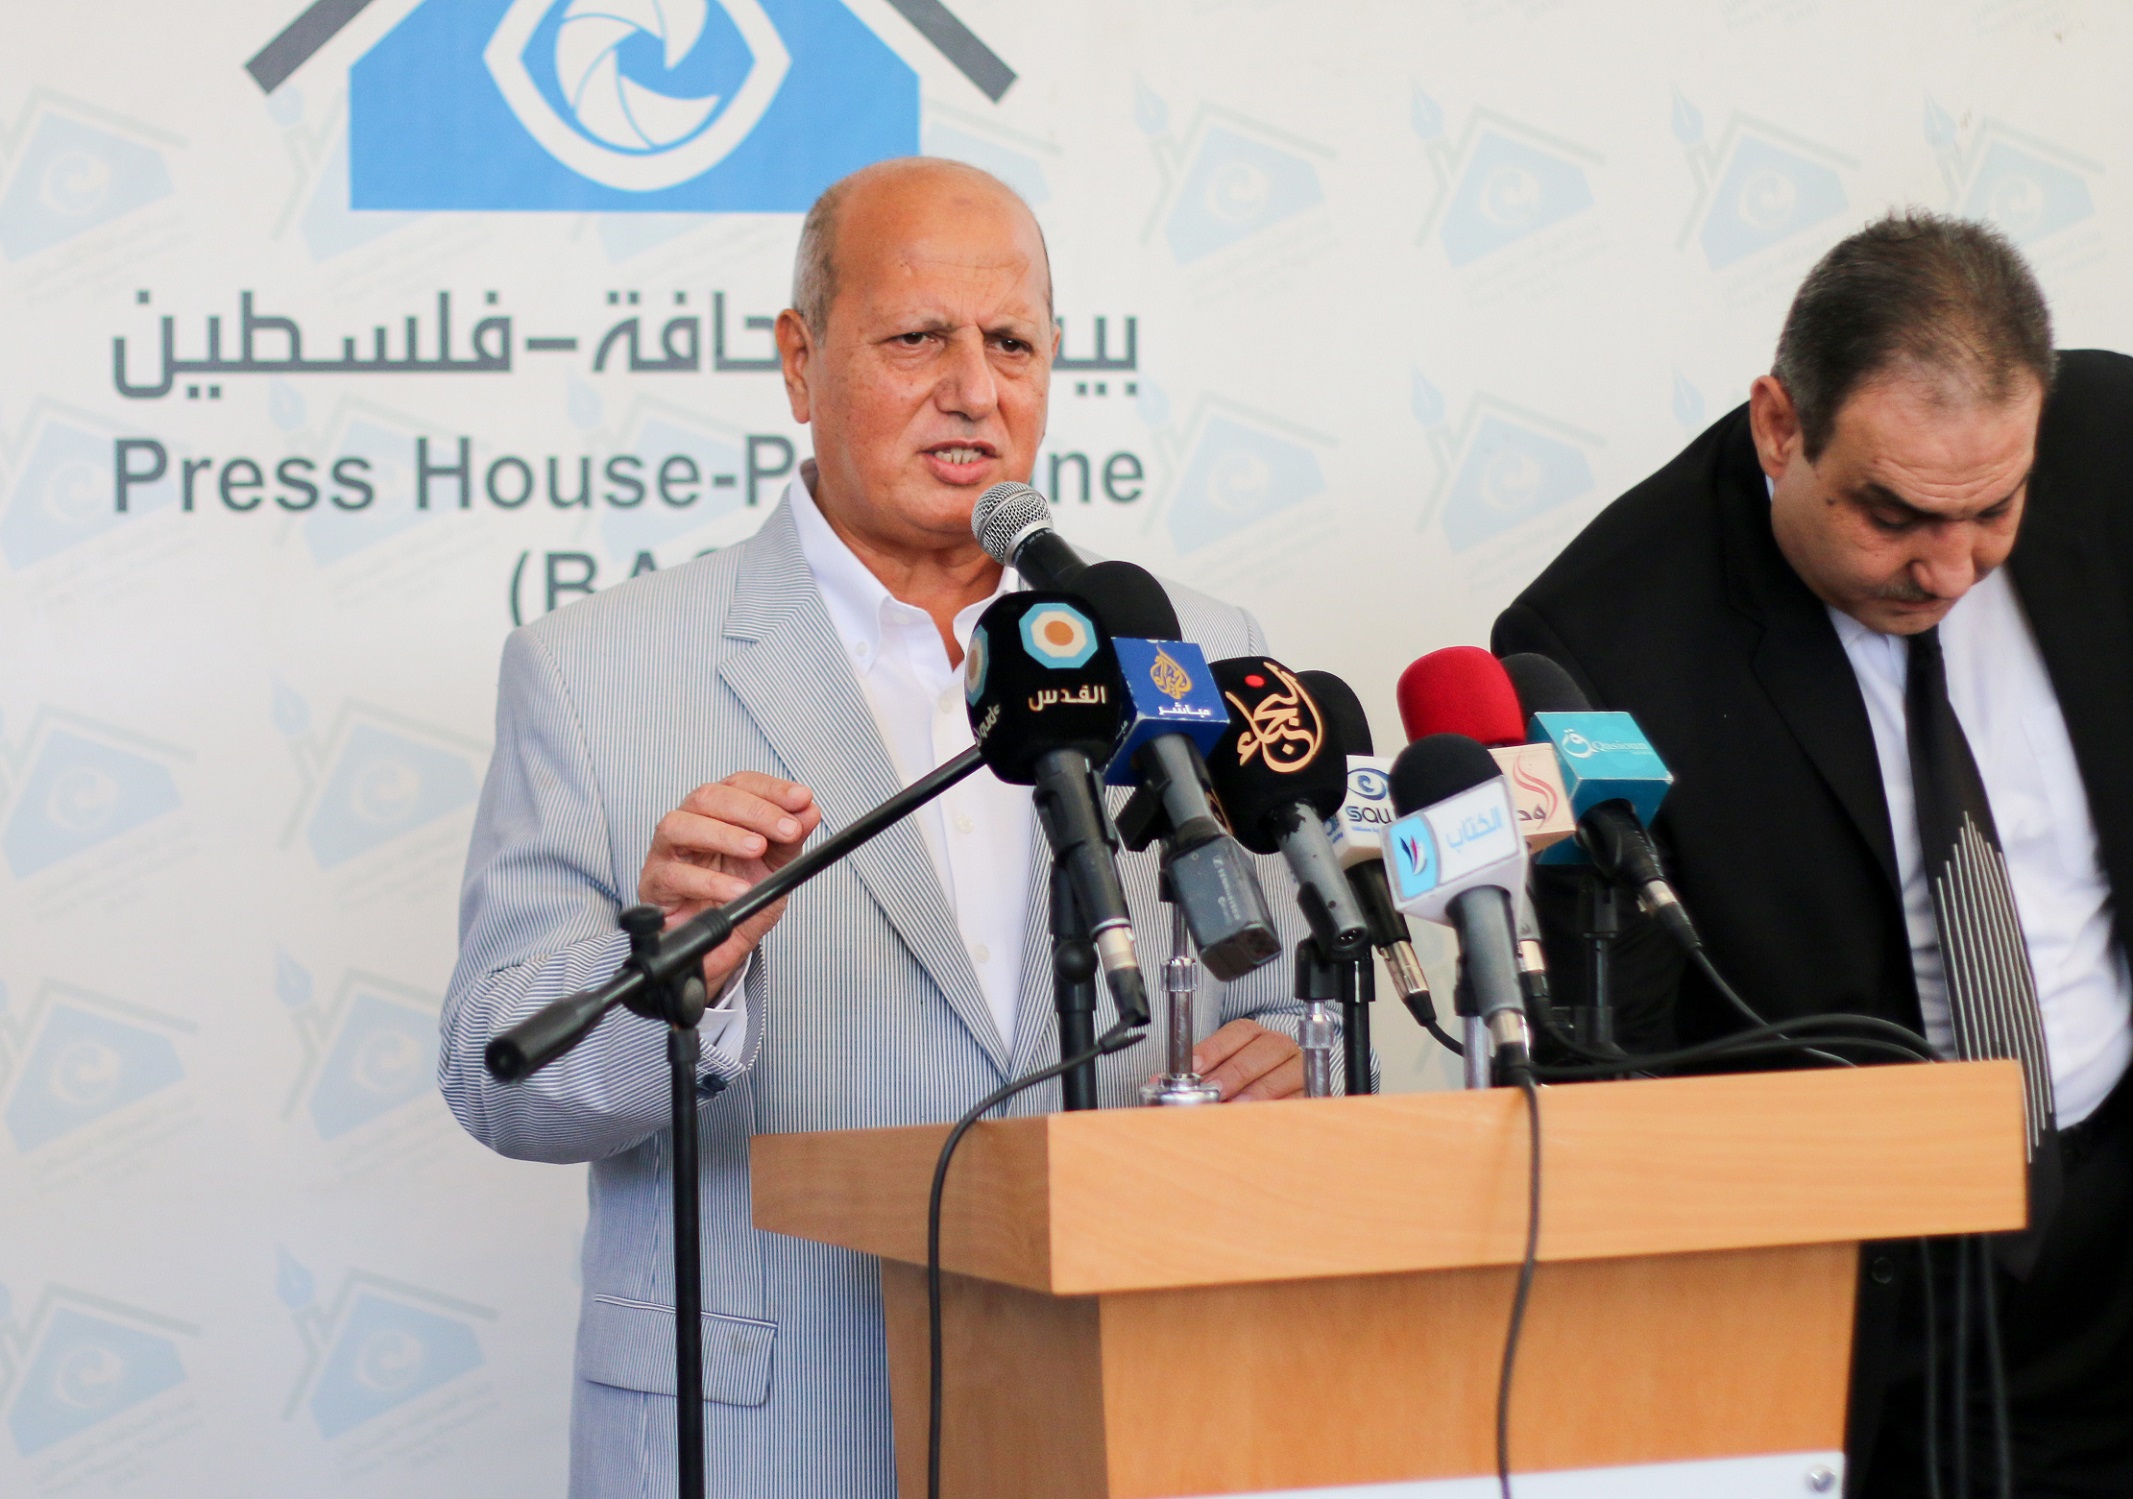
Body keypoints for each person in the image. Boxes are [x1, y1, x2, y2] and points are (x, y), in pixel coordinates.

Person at [439, 158, 1313, 1499]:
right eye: (917, 338)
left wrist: (1298, 1068)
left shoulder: (1189, 648)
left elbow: (1300, 997)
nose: (974, 388)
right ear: (800, 361)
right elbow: (500, 1075)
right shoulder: (595, 667)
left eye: (1011, 342)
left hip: (1128, 1409)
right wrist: (671, 968)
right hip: (768, 1436)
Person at [1495, 211, 2133, 1496]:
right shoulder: (1589, 644)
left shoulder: (2113, 443)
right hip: (1852, 1297)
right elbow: (1611, 1067)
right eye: (1894, 514)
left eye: (1992, 510)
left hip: (2114, 1220)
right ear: (1781, 425)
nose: (1948, 569)